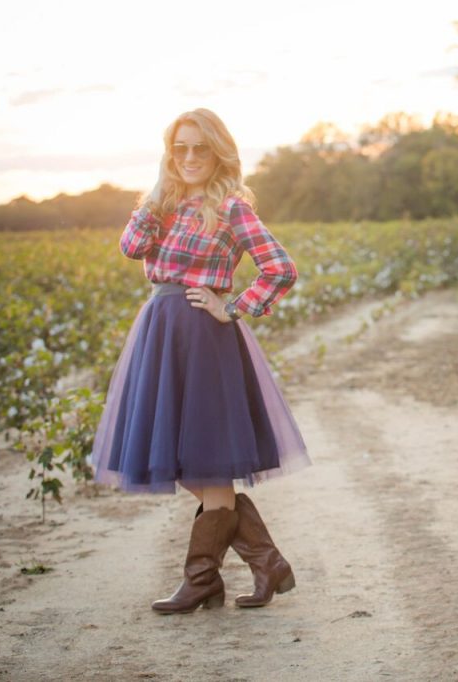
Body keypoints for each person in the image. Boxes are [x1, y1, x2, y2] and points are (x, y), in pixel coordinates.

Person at [89, 108, 310, 614]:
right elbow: (130, 247)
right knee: (191, 462)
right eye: (180, 148)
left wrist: (231, 307)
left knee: (208, 462)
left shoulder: (232, 208)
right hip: (160, 331)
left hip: (204, 337)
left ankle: (203, 580)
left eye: (200, 148)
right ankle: (265, 562)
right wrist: (156, 195)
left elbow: (280, 267)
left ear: (218, 153)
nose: (189, 158)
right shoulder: (163, 204)